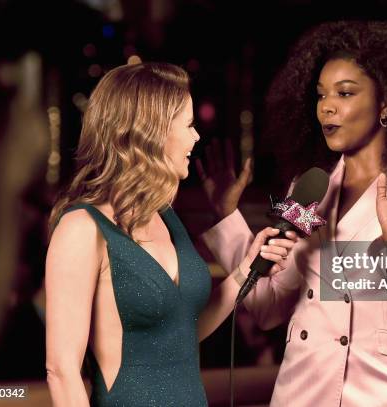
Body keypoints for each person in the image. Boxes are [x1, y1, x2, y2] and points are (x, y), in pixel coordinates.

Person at [199, 21, 387, 406]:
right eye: (320, 95)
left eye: (345, 93)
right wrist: (227, 215)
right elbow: (267, 309)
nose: (327, 106)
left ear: (386, 103)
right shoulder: (309, 186)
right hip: (302, 395)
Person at [44, 62, 298, 406]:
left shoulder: (167, 218)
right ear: (152, 130)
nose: (196, 136)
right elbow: (61, 371)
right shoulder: (81, 228)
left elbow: (181, 334)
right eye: (189, 124)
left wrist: (243, 272)